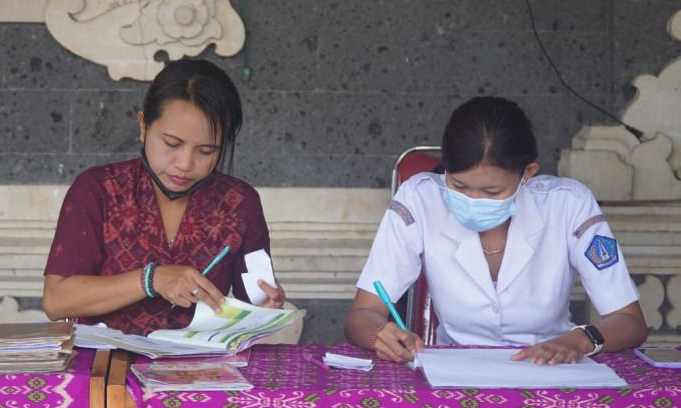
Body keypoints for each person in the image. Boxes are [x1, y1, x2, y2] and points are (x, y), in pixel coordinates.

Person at [345, 96, 647, 365]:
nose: (474, 200)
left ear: (527, 173)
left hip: (550, 370)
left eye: (492, 192)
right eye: (458, 186)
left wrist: (581, 340)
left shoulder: (569, 204)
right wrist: (379, 334)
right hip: (453, 374)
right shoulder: (419, 200)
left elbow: (630, 322)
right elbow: (362, 314)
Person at [43, 59, 285, 335]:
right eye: (172, 144)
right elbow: (56, 301)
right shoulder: (97, 189)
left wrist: (266, 308)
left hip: (200, 360)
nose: (184, 163)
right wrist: (151, 279)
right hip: (107, 361)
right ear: (143, 125)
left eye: (206, 151)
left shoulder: (240, 203)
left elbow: (248, 308)